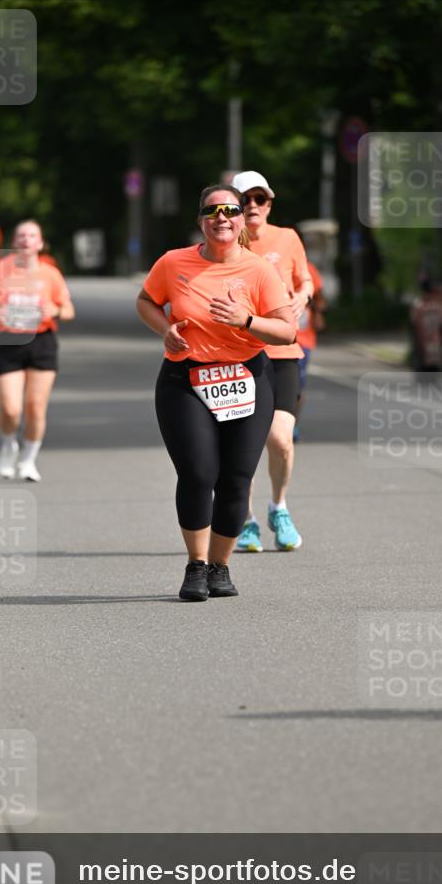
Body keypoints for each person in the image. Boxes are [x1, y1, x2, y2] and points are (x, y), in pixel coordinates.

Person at [136, 183, 294, 601]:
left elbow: (286, 331)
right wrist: (164, 330)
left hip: (247, 379)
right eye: (212, 211)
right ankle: (196, 565)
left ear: (242, 219)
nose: (221, 218)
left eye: (230, 210)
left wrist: (246, 320)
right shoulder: (173, 263)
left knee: (236, 479)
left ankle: (221, 567)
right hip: (184, 380)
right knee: (198, 473)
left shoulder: (259, 270)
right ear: (201, 220)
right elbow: (146, 301)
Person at [230, 171, 314, 553]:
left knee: (279, 439)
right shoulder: (226, 244)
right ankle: (245, 520)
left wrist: (304, 296)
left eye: (259, 200)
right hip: (240, 354)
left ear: (269, 204)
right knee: (244, 444)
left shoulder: (288, 238)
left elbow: (305, 280)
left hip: (283, 354)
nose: (252, 207)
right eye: (244, 200)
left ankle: (278, 507)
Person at [0, 220, 74, 482]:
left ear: (40, 243)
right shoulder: (0, 270)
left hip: (42, 342)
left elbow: (68, 310)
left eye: (32, 235)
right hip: (8, 342)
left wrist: (55, 311)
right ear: (14, 242)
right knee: (11, 409)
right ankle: (9, 444)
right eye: (21, 235)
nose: (26, 239)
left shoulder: (50, 274)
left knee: (35, 407)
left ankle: (28, 460)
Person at [294, 258, 327, 440]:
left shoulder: (307, 268)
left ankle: (294, 425)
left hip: (302, 339)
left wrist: (319, 313)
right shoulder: (267, 262)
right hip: (271, 340)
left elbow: (320, 296)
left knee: (298, 384)